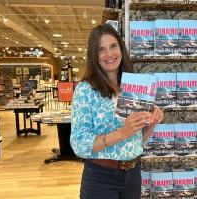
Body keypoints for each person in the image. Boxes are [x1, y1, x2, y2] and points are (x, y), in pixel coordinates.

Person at [70, 24, 164, 199]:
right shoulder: (85, 90)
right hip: (101, 177)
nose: (109, 54)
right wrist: (122, 132)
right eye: (101, 49)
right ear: (94, 55)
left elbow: (136, 140)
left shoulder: (133, 87)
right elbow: (79, 144)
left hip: (133, 173)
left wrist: (152, 122)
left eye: (113, 46)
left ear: (121, 48)